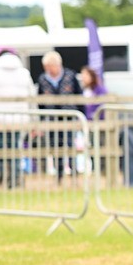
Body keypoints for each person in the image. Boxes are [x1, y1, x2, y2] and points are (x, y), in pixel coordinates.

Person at [0, 50, 35, 188]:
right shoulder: (24, 73)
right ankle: (15, 180)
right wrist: (33, 119)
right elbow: (32, 98)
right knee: (15, 150)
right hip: (18, 119)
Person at [36, 51, 83, 181]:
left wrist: (81, 117)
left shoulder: (70, 76)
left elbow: (80, 96)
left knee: (70, 145)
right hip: (52, 119)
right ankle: (59, 175)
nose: (48, 69)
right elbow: (40, 102)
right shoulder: (43, 79)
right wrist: (40, 120)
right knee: (55, 146)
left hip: (69, 117)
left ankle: (74, 174)